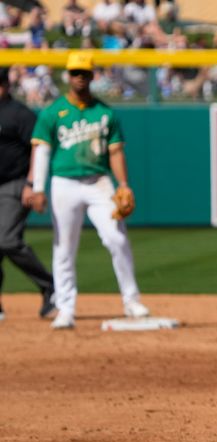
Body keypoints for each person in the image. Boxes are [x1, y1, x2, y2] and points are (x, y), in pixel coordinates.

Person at [28, 52, 150, 329]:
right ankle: (65, 308)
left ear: (93, 76)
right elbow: (42, 151)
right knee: (64, 247)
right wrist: (37, 187)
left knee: (116, 239)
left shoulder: (105, 113)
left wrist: (124, 184)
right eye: (74, 73)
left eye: (83, 73)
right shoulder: (53, 112)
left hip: (98, 182)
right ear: (67, 76)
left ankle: (131, 300)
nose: (79, 78)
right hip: (64, 183)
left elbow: (116, 152)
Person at [0, 67, 55, 322]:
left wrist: (32, 183)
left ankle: (51, 286)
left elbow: (39, 148)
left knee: (7, 240)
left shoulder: (19, 114)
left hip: (14, 184)